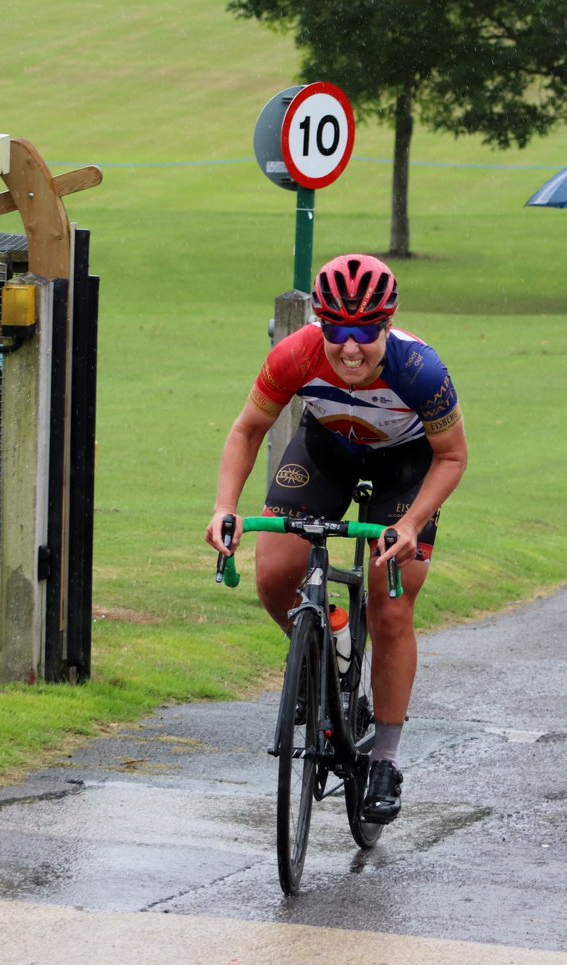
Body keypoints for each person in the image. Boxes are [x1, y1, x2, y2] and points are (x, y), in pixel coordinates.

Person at [206, 254, 468, 824]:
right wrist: (226, 507)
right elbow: (249, 429)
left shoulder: (421, 369)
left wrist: (410, 521)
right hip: (326, 447)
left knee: (392, 604)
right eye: (337, 332)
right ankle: (329, 643)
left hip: (408, 463)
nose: (351, 348)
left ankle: (385, 759)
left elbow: (452, 457)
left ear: (388, 324)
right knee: (275, 574)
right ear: (320, 324)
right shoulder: (294, 355)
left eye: (366, 332)